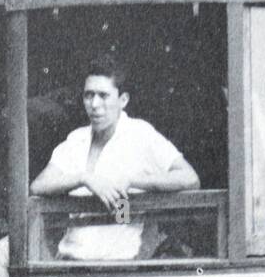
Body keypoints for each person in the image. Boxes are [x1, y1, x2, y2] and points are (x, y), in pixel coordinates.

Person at [30, 53, 200, 260]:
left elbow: (190, 178)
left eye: (103, 95)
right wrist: (84, 178)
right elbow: (38, 185)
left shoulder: (140, 134)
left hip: (115, 267)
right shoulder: (76, 140)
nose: (94, 104)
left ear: (123, 100)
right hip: (68, 264)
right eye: (88, 95)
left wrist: (132, 180)